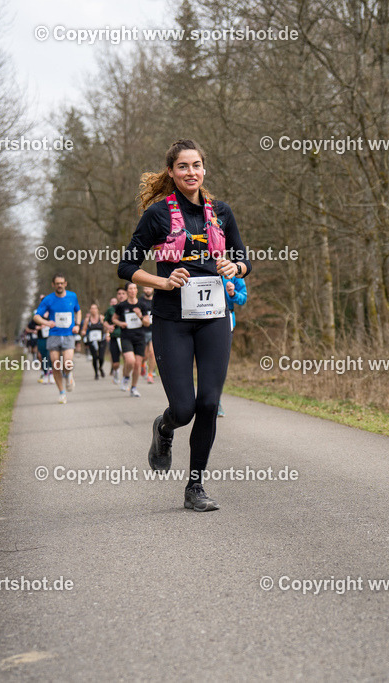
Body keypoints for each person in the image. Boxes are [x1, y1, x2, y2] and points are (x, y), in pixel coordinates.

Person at [118, 139, 251, 512]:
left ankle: (195, 487)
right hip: (171, 320)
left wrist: (234, 267)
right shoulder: (158, 215)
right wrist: (162, 281)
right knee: (184, 408)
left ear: (204, 169)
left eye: (196, 165)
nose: (190, 172)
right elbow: (126, 266)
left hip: (213, 318)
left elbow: (243, 258)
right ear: (172, 172)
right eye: (183, 167)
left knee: (209, 403)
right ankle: (164, 428)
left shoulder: (221, 212)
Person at [33, 274, 81, 404]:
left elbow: (78, 310)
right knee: (55, 365)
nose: (59, 285)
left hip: (68, 335)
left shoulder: (72, 296)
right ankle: (62, 393)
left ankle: (68, 374)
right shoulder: (48, 300)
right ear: (53, 285)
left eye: (62, 283)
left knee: (67, 362)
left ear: (65, 284)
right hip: (54, 335)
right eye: (57, 283)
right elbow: (36, 317)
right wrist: (47, 323)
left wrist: (77, 325)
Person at [217, 275, 247, 417]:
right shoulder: (200, 264)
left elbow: (243, 298)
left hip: (226, 318)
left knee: (219, 363)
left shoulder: (233, 272)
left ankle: (215, 400)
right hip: (199, 318)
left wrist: (232, 293)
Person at [115, 282, 148, 397]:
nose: (133, 290)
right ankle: (126, 377)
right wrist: (121, 323)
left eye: (134, 288)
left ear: (137, 291)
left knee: (138, 364)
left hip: (139, 337)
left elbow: (147, 323)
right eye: (130, 289)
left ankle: (133, 388)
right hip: (126, 337)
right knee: (130, 361)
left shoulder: (142, 305)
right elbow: (114, 319)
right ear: (127, 291)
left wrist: (140, 315)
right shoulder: (121, 306)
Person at [82, 303, 107, 380]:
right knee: (94, 357)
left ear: (97, 310)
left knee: (101, 357)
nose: (93, 310)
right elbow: (83, 330)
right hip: (92, 340)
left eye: (95, 308)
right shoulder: (87, 320)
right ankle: (96, 373)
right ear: (90, 310)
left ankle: (100, 367)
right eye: (92, 308)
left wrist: (107, 334)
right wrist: (83, 333)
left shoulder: (102, 318)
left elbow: (106, 327)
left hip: (101, 339)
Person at [104, 291, 124, 384]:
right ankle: (116, 371)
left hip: (126, 336)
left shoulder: (129, 306)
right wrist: (108, 327)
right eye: (119, 294)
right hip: (115, 336)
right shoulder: (111, 309)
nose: (121, 296)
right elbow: (105, 321)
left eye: (123, 294)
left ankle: (125, 379)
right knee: (115, 363)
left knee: (128, 359)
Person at [140, 286, 156, 383]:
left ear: (153, 289)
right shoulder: (140, 301)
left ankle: (150, 374)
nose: (147, 290)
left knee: (152, 353)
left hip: (153, 330)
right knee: (144, 355)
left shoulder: (156, 300)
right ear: (143, 289)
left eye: (149, 288)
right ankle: (143, 364)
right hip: (142, 331)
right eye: (145, 288)